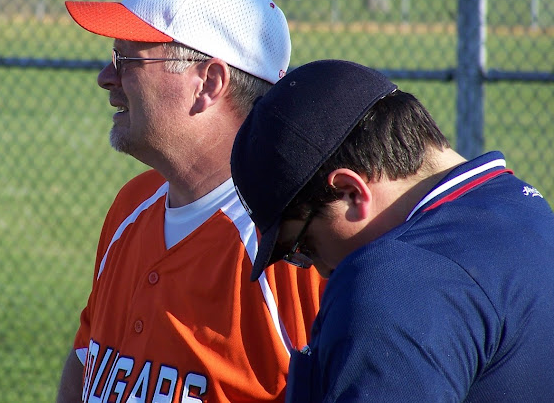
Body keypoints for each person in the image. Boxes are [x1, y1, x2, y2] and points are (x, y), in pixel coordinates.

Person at [56, 0, 325, 403]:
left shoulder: (294, 248)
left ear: (209, 82)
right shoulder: (132, 206)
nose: (107, 78)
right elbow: (87, 360)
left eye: (127, 59)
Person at [230, 58, 554, 402]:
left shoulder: (392, 284)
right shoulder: (528, 210)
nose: (321, 269)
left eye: (303, 245)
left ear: (352, 193)